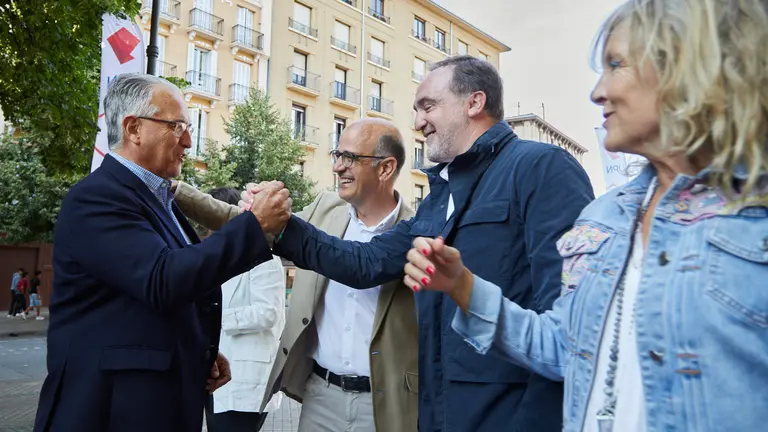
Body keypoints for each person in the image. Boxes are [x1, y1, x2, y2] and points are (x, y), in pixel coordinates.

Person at [403, 1, 768, 431]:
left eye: (616, 65)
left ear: (691, 70)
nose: (598, 92)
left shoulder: (754, 217)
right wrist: (464, 287)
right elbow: (564, 349)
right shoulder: (606, 217)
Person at [248, 56, 594, 431]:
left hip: (508, 416)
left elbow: (571, 333)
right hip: (440, 414)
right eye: (416, 110)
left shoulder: (542, 168)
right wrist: (280, 227)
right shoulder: (439, 198)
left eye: (428, 106)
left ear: (474, 103)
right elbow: (365, 263)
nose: (417, 123)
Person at [33, 73, 291, 432]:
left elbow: (146, 300)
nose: (188, 141)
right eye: (177, 126)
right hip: (108, 410)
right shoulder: (98, 197)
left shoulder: (158, 200)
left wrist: (196, 348)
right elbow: (162, 278)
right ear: (134, 128)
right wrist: (254, 225)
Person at [174, 118, 420, 431]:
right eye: (337, 155)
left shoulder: (419, 232)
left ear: (386, 168)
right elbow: (243, 222)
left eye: (351, 158)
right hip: (321, 397)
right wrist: (176, 191)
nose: (338, 167)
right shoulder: (324, 210)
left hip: (388, 405)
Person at [203, 187, 287, 432]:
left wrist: (216, 318)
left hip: (246, 378)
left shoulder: (265, 258)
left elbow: (267, 312)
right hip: (216, 374)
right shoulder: (217, 257)